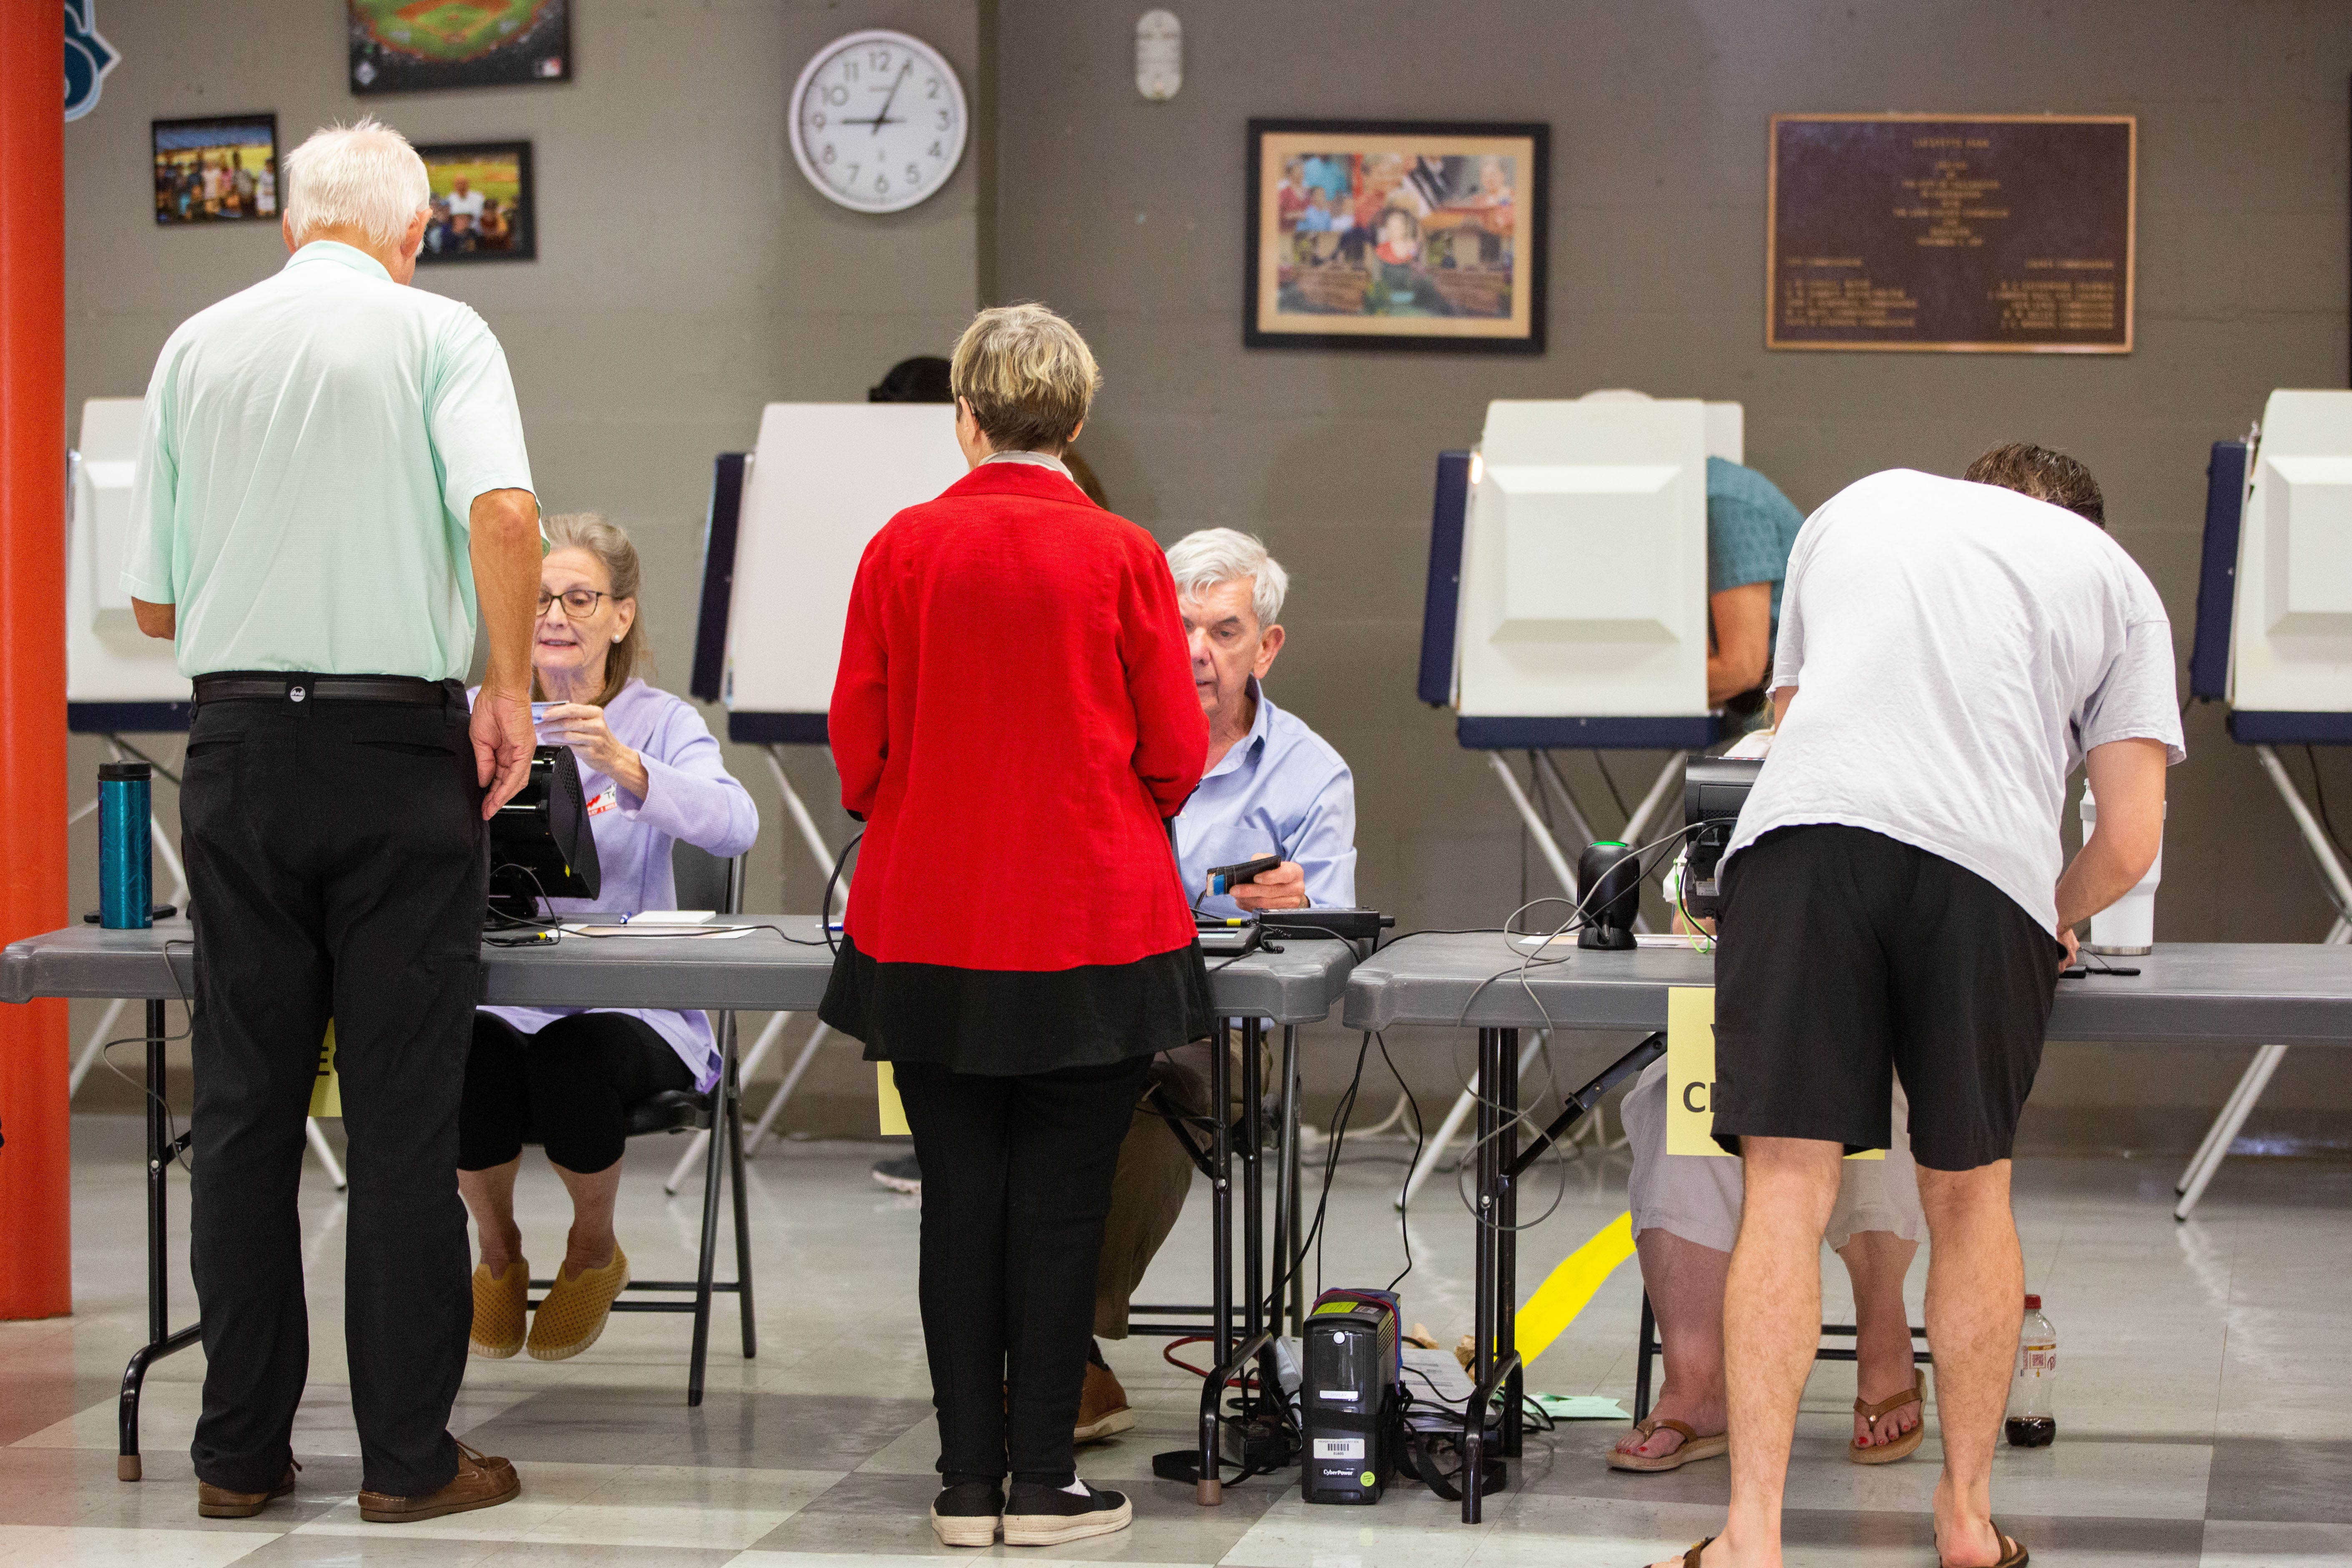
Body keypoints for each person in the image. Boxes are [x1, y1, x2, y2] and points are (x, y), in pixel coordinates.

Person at [1650, 443, 2181, 1568]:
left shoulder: (1856, 505)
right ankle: (1966, 1522)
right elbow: (2130, 839)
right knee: (1969, 1197)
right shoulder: (2116, 579)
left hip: (1802, 843)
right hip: (1984, 866)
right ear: (2087, 518)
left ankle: (1751, 1535)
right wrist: (2048, 912)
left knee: (1784, 1191)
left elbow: (1791, 723)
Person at [123, 117, 539, 1525]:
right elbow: (501, 507)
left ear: (289, 221)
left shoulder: (194, 347)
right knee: (403, 1120)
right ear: (411, 231)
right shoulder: (439, 333)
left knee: (241, 1112)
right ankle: (407, 1462)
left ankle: (237, 1454)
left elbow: (155, 608)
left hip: (238, 746)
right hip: (393, 749)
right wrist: (507, 685)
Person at [821, 304, 1208, 1548]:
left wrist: (931, 806)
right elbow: (1175, 749)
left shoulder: (900, 547)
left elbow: (860, 750)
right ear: (1079, 420)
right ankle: (1043, 1485)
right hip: (1093, 920)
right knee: (1060, 1209)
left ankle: (962, 1484)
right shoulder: (1124, 555)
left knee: (957, 1200)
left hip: (925, 921)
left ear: (966, 419)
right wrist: (1104, 811)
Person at [459, 513, 758, 1362]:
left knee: (572, 1058)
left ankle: (593, 1249)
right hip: (509, 994)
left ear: (620, 616)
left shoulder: (659, 721)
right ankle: (499, 1252)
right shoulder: (486, 715)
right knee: (457, 1054)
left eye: (580, 598)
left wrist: (629, 767)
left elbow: (736, 823)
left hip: (631, 1009)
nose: (554, 615)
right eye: (541, 598)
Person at [1078, 528, 1356, 1441]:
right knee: (1045, 1077)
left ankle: (1061, 1345)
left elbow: (1338, 944)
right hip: (1101, 1010)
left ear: (1265, 645)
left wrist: (1299, 903)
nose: (1198, 651)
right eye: (1180, 625)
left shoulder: (1309, 769)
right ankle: (1049, 1349)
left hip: (1225, 1034)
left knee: (1158, 1084)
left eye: (1224, 630)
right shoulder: (1097, 736)